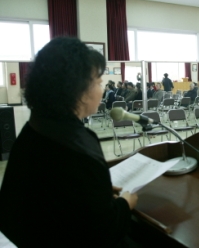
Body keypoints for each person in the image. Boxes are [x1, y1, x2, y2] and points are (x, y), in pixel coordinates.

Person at [0, 37, 138, 247]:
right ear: (80, 92)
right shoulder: (78, 147)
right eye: (99, 82)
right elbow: (105, 231)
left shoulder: (33, 130)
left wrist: (96, 192)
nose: (101, 89)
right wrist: (125, 204)